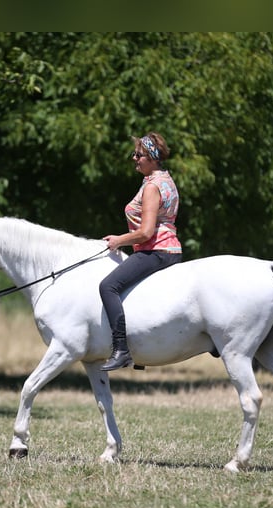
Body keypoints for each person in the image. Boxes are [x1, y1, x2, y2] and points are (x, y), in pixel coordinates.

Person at [99, 132, 183, 371]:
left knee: (108, 286)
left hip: (156, 250)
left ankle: (121, 350)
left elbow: (146, 232)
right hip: (167, 248)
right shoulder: (164, 179)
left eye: (139, 154)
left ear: (153, 158)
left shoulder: (152, 187)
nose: (134, 157)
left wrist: (119, 240)